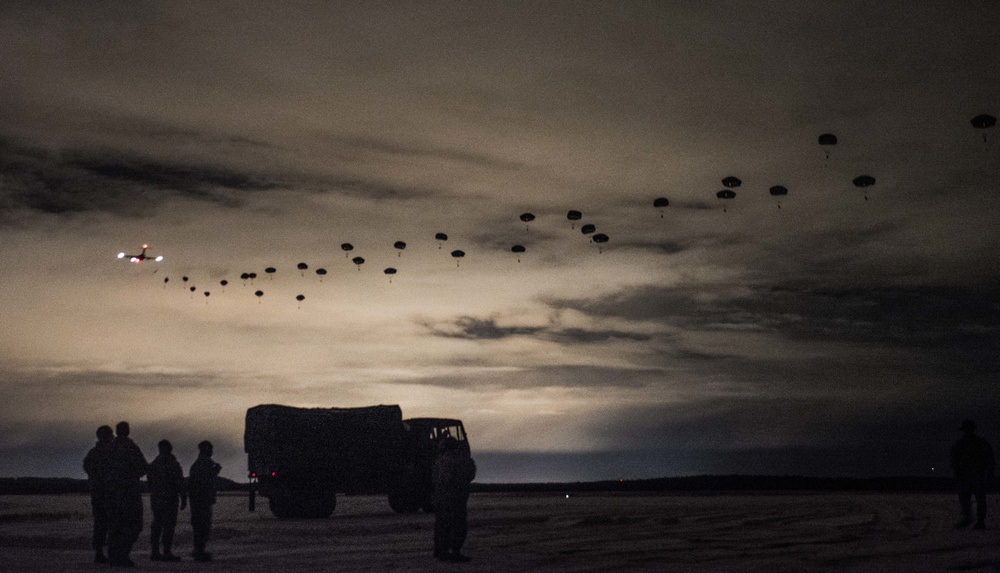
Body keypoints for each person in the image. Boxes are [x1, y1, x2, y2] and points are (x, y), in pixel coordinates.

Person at [106, 421, 149, 567]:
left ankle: (114, 556)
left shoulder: (109, 447)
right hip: (128, 492)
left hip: (112, 493)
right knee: (133, 525)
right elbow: (142, 468)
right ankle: (121, 555)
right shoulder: (130, 447)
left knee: (116, 525)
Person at [431, 437, 477, 562]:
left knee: (441, 525)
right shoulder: (458, 460)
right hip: (455, 498)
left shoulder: (439, 460)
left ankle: (440, 550)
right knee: (457, 525)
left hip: (441, 497)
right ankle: (454, 551)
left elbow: (435, 479)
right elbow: (469, 475)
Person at [951, 419, 995, 530]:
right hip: (966, 475)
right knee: (966, 498)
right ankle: (969, 518)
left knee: (979, 499)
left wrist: (989, 472)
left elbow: (989, 458)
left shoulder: (978, 443)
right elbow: (954, 459)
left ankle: (979, 521)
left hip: (976, 475)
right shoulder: (961, 444)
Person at [148, 439, 187, 561]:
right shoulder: (172, 464)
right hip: (169, 499)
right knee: (168, 525)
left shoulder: (154, 463)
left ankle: (155, 551)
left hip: (157, 498)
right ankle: (166, 552)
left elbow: (150, 481)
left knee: (157, 524)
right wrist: (183, 497)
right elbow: (179, 482)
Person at [83, 425, 114, 564]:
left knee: (102, 524)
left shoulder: (93, 453)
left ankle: (100, 552)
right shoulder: (109, 453)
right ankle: (104, 553)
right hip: (106, 494)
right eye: (110, 435)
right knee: (107, 524)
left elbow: (87, 468)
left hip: (100, 494)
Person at [188, 440, 222, 562]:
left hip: (200, 500)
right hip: (201, 500)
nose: (212, 452)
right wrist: (215, 471)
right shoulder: (203, 464)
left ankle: (199, 550)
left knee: (201, 526)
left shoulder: (201, 463)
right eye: (210, 449)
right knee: (202, 526)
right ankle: (199, 551)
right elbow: (203, 481)